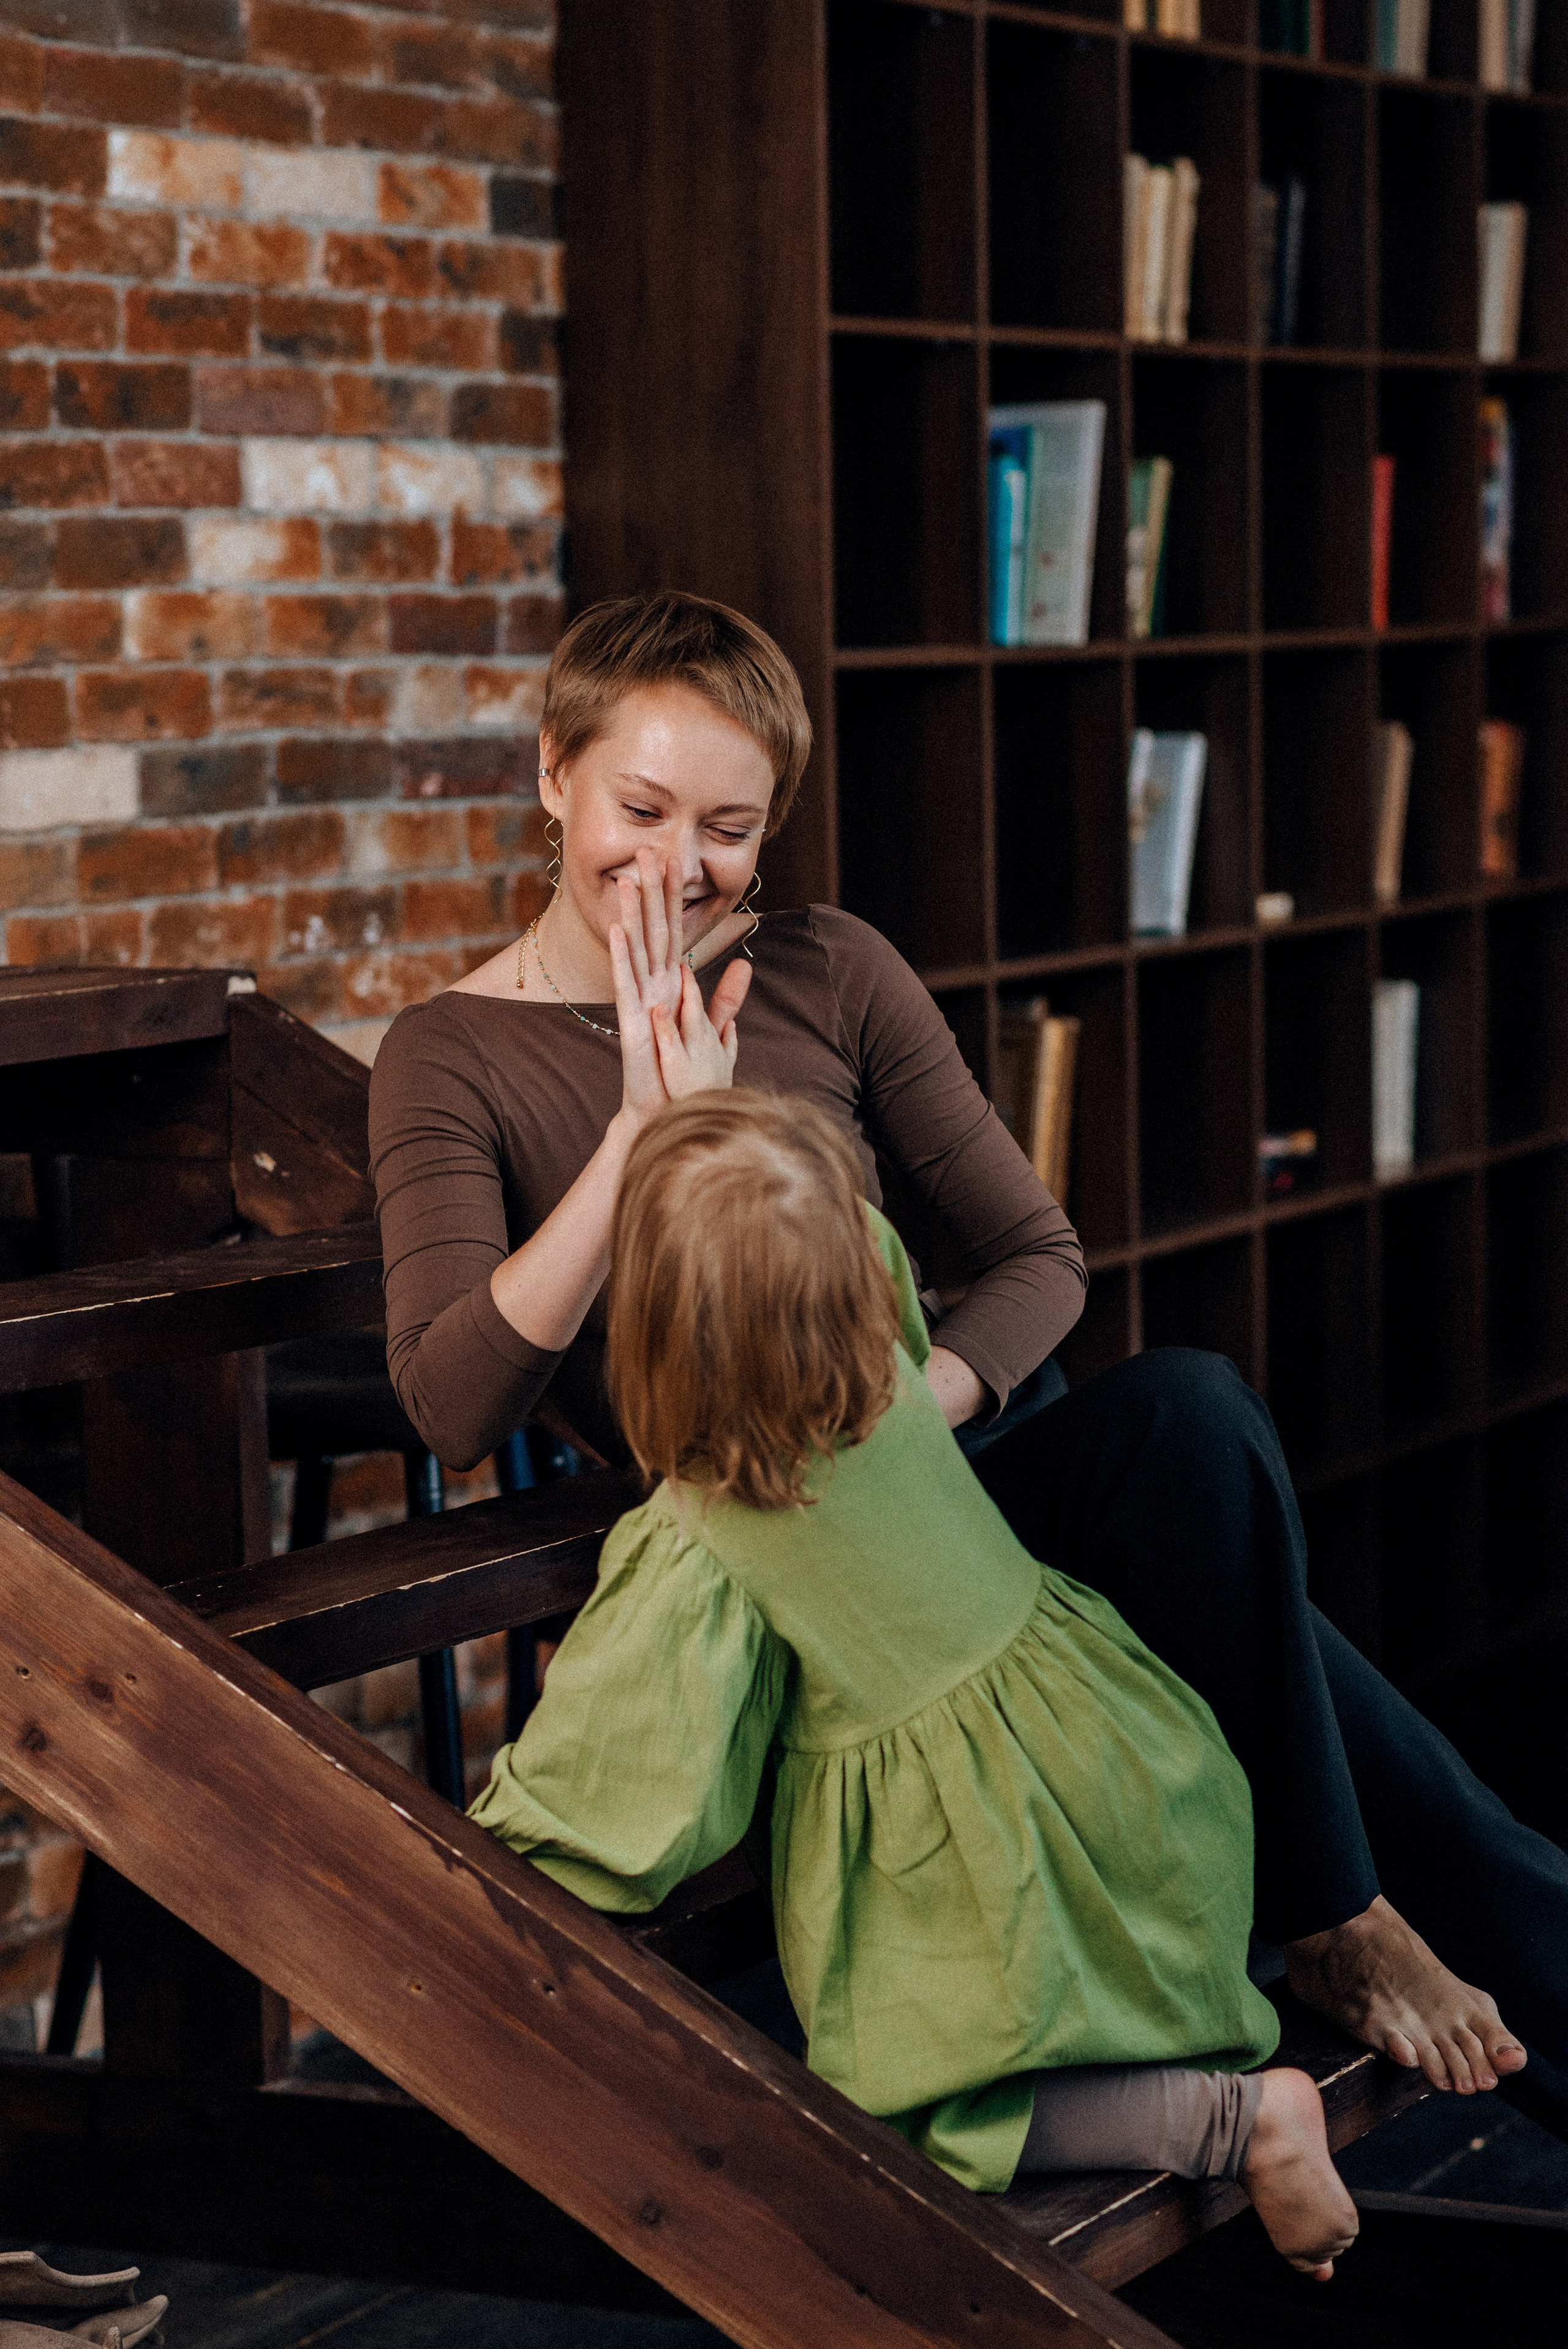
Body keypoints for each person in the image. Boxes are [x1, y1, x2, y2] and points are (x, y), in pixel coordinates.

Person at [369, 590, 1565, 2129]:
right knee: (1373, 1756)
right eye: (640, 807)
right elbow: (453, 1406)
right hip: (798, 1548)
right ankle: (1341, 1916)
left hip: (960, 1465)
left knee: (1189, 1417)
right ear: (552, 776)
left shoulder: (830, 967)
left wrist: (916, 1420)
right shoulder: (447, 1055)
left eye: (725, 828)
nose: (675, 867)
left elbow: (1038, 1260)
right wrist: (639, 1142)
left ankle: (1335, 1921)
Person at [472, 1089, 1365, 2276]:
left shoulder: (703, 1542)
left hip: (988, 1877)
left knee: (903, 2114)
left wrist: (510, 1841)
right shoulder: (889, 1366)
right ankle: (1196, 2074)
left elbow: (644, 1779)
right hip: (1137, 1790)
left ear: (648, 1328)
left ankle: (1235, 2120)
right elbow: (853, 1239)